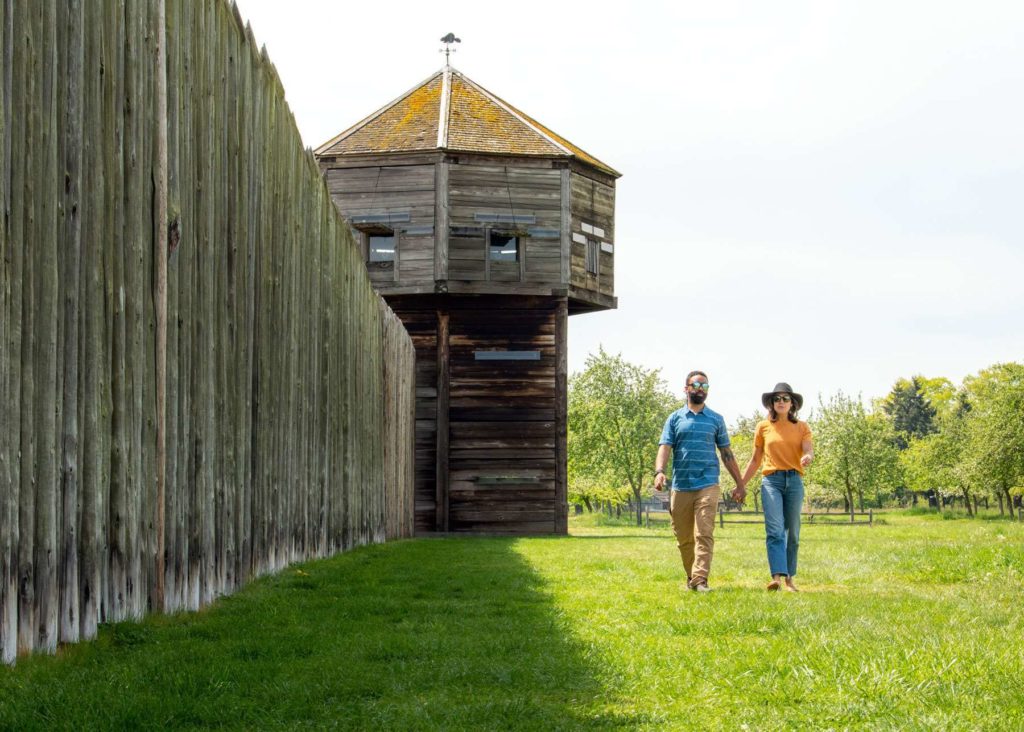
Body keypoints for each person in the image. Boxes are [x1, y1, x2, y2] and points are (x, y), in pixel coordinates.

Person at [654, 370, 745, 592]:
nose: (700, 389)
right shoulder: (675, 418)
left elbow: (726, 453)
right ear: (686, 389)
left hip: (708, 483)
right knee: (684, 538)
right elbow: (665, 446)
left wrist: (740, 484)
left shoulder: (716, 419)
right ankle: (691, 577)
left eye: (704, 386)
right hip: (681, 485)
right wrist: (659, 471)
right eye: (696, 385)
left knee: (703, 532)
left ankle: (700, 579)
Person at [735, 382, 814, 592]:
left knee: (793, 532)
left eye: (785, 398)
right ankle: (777, 578)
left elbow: (808, 449)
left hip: (794, 481)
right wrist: (741, 484)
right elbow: (755, 459)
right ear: (771, 403)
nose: (781, 402)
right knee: (775, 530)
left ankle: (790, 579)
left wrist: (807, 456)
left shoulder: (802, 427)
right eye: (777, 398)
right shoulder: (763, 427)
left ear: (792, 403)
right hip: (772, 481)